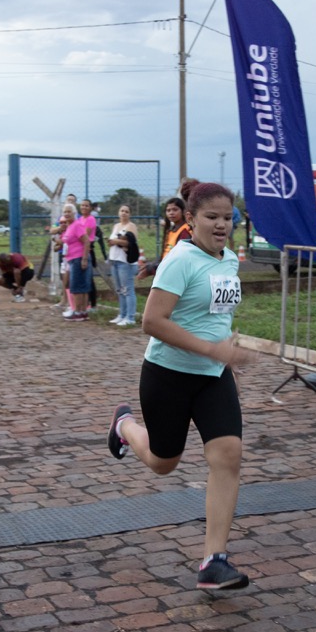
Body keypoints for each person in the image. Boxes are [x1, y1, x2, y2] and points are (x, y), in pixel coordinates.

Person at [106, 182, 254, 591]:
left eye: (227, 218)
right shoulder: (180, 261)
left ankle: (214, 561)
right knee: (162, 462)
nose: (221, 225)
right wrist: (211, 348)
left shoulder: (229, 260)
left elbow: (216, 314)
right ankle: (124, 427)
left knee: (228, 455)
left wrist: (225, 351)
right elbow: (152, 322)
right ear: (191, 219)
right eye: (211, 217)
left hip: (213, 377)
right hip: (168, 375)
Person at [137, 197, 192, 280]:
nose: (171, 213)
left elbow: (179, 258)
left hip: (178, 274)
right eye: (168, 210)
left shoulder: (185, 231)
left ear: (183, 211)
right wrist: (152, 264)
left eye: (175, 209)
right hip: (168, 270)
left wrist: (151, 269)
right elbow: (165, 254)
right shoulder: (171, 231)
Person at [61, 200, 95, 320]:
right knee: (81, 286)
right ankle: (82, 311)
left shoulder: (77, 225)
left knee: (77, 287)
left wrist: (84, 259)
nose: (66, 214)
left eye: (69, 212)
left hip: (78, 258)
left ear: (74, 213)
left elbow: (86, 241)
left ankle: (78, 311)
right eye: (65, 212)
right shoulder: (69, 226)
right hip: (72, 259)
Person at [107, 204, 140, 326]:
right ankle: (122, 314)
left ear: (130, 214)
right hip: (114, 260)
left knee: (128, 290)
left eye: (126, 211)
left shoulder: (131, 226)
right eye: (122, 211)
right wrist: (111, 242)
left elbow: (132, 242)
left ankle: (130, 317)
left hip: (125, 262)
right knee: (120, 290)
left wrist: (116, 241)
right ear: (118, 212)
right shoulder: (116, 226)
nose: (124, 213)